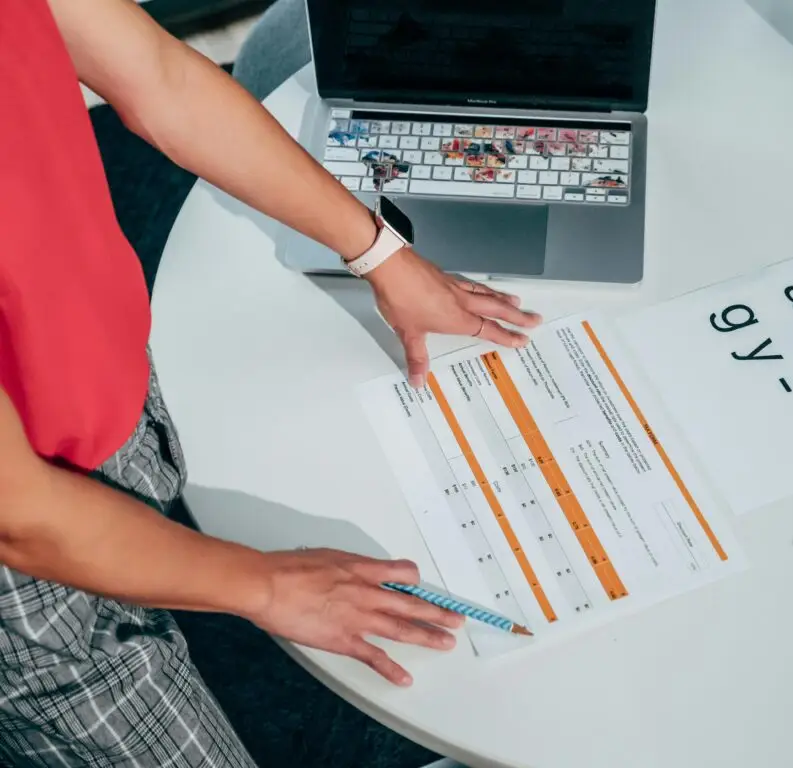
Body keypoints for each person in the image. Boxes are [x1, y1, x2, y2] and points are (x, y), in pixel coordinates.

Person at [0, 1, 540, 766]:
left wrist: (381, 254)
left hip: (88, 385)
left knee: (164, 553)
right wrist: (267, 587)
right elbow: (21, 517)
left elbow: (162, 81)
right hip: (25, 571)